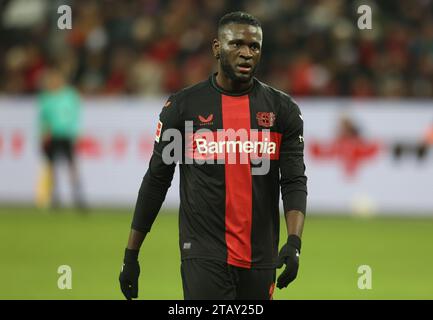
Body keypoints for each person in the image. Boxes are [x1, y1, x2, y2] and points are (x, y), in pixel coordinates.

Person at [119, 12, 307, 300]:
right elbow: (157, 180)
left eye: (254, 47)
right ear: (217, 48)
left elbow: (293, 180)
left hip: (261, 256)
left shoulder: (282, 111)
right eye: (237, 45)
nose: (246, 54)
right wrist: (131, 254)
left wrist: (294, 242)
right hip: (203, 253)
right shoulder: (182, 109)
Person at [38, 67, 85, 210]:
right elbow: (43, 119)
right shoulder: (47, 97)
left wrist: (76, 133)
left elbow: (75, 116)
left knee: (71, 166)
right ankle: (54, 197)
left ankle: (78, 197)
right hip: (52, 136)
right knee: (52, 168)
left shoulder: (70, 96)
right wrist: (43, 133)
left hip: (66, 135)